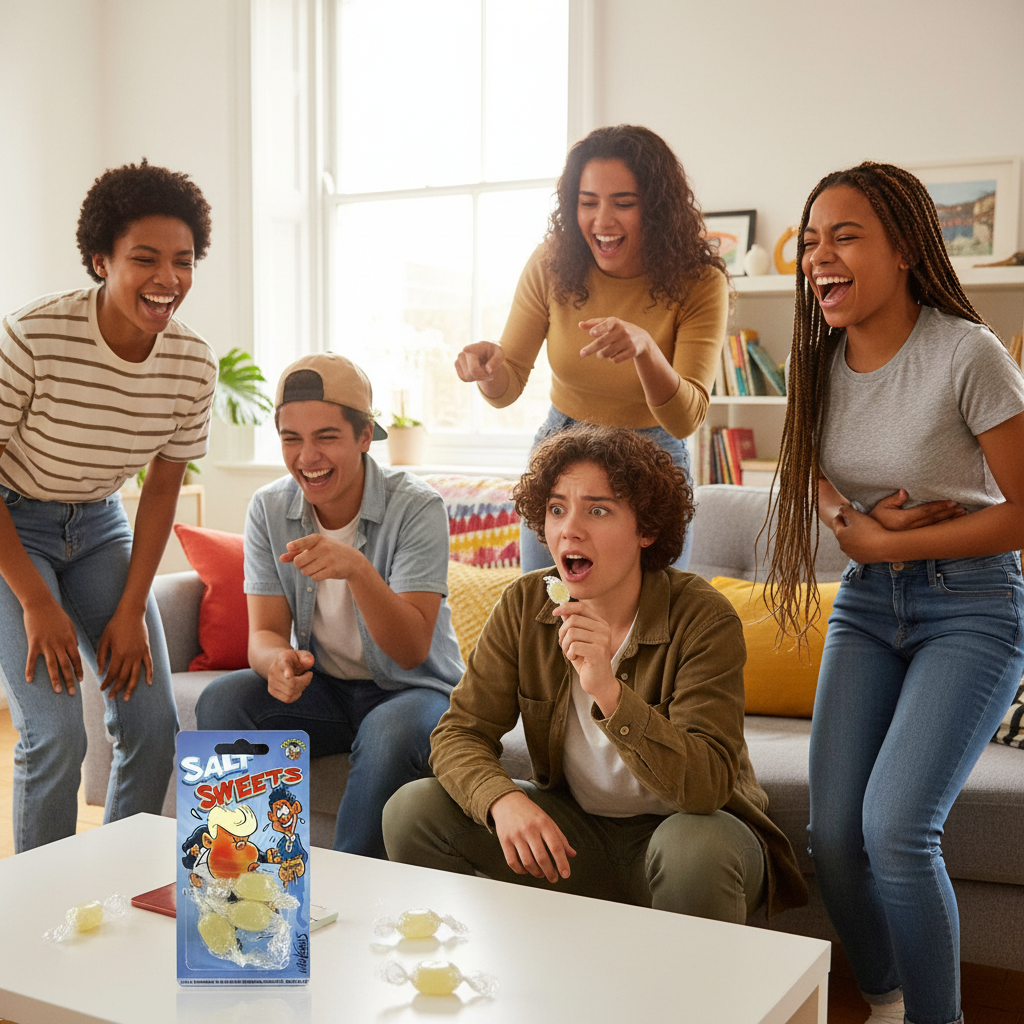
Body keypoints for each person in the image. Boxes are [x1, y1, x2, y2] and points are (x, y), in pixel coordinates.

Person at [764, 162, 1024, 1024]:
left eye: (845, 236)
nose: (820, 258)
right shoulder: (817, 362)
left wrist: (884, 538)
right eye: (810, 242)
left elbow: (1022, 514)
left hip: (973, 607)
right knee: (833, 840)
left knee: (897, 833)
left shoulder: (966, 352)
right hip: (870, 605)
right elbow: (808, 470)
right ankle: (885, 998)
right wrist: (854, 529)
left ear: (906, 248)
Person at [383, 425, 806, 922]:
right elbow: (458, 734)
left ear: (646, 530)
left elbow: (706, 787)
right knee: (414, 810)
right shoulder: (525, 604)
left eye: (598, 510)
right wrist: (502, 801)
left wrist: (608, 690)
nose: (570, 529)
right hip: (577, 839)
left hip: (691, 835)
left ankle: (689, 998)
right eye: (557, 509)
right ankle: (478, 974)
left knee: (693, 850)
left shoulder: (702, 617)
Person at [0, 159, 217, 852]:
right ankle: (39, 914)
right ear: (101, 260)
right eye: (145, 259)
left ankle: (107, 885)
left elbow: (161, 488)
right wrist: (36, 601)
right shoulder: (33, 337)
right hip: (14, 522)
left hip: (98, 526)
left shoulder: (191, 363)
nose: (168, 279)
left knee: (153, 724)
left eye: (182, 261)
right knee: (56, 729)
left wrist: (128, 609)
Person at [195, 353, 464, 859]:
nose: (307, 457)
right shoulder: (270, 508)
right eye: (291, 439)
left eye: (327, 437)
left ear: (365, 437)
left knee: (389, 732)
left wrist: (359, 570)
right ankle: (250, 880)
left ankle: (347, 891)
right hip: (328, 694)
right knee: (222, 702)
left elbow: (409, 651)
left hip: (416, 692)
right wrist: (276, 663)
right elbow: (265, 634)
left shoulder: (417, 507)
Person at [454, 124, 729, 572]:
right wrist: (488, 371)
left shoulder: (699, 282)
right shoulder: (552, 263)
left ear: (657, 209)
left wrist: (645, 351)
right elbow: (507, 388)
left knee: (654, 630)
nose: (602, 221)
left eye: (624, 203)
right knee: (548, 616)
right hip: (561, 454)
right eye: (588, 202)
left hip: (654, 459)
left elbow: (685, 416)